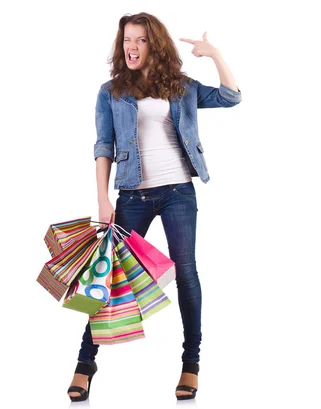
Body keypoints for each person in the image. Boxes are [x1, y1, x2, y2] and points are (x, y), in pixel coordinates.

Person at [66, 12, 241, 402]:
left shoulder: (181, 87)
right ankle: (84, 363)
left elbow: (232, 97)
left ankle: (190, 363)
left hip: (178, 190)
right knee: (105, 275)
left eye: (141, 40)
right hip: (132, 195)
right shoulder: (110, 92)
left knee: (186, 273)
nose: (132, 46)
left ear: (154, 45)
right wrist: (102, 198)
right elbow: (103, 146)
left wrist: (213, 54)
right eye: (128, 39)